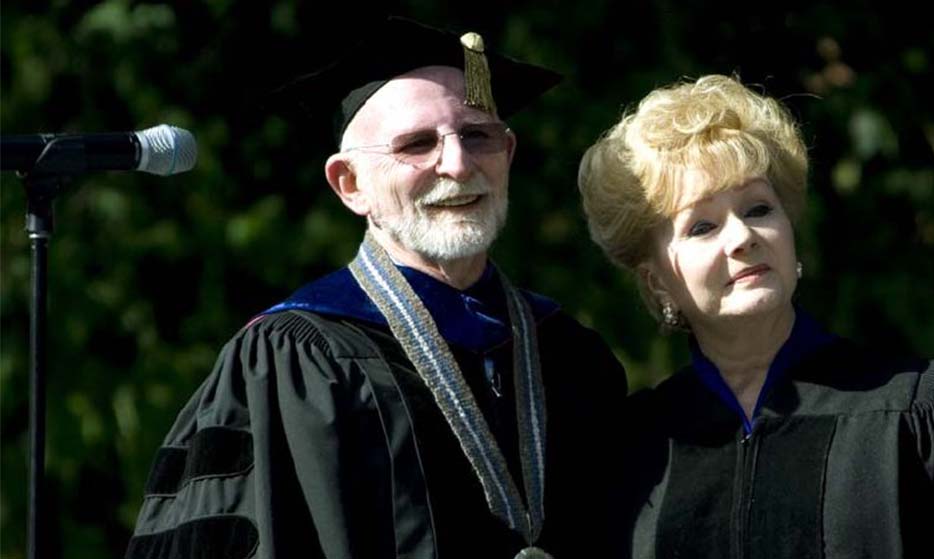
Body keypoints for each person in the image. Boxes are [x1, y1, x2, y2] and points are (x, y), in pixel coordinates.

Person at [125, 17, 626, 559]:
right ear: (350, 184)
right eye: (416, 145)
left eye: (476, 135)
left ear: (507, 153)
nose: (457, 165)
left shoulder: (572, 356)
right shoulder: (293, 364)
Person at [578, 74, 934, 558]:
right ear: (656, 280)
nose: (742, 237)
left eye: (758, 208)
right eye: (702, 226)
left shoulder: (915, 411)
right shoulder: (635, 451)